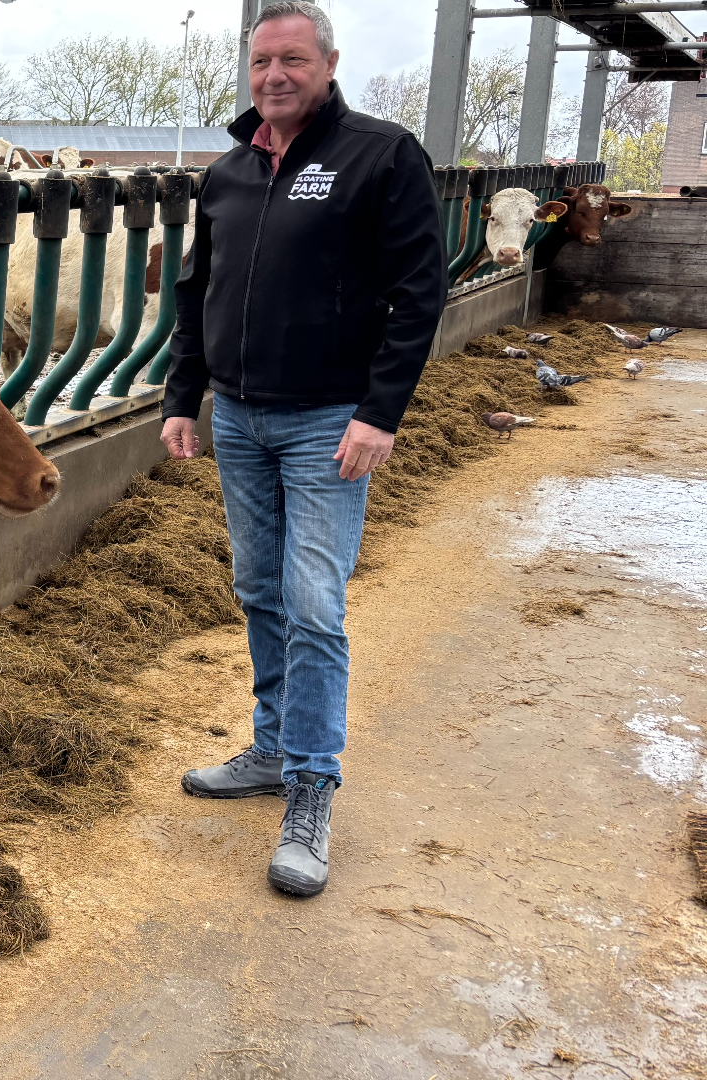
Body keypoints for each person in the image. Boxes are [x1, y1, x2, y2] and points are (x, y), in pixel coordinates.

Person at [159, 0, 447, 898]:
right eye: (260, 63)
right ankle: (274, 746)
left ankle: (311, 789)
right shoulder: (231, 171)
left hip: (331, 422)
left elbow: (420, 290)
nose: (273, 77)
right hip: (239, 419)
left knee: (314, 601)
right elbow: (198, 291)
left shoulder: (380, 154)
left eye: (291, 60)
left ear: (327, 63)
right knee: (257, 586)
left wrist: (380, 412)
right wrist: (184, 396)